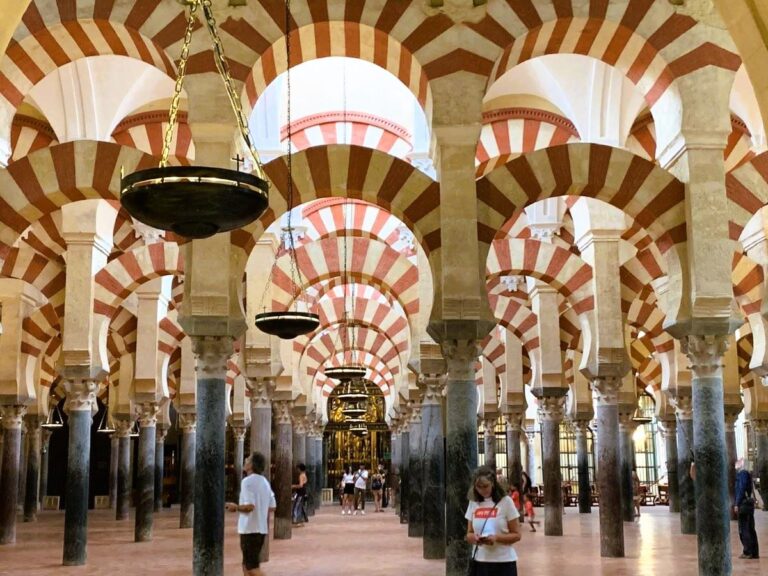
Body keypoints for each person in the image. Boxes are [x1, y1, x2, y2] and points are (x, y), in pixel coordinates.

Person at [465, 465, 522, 575]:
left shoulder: (506, 502)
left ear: (493, 483)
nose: (482, 490)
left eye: (485, 486)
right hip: (480, 561)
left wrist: (496, 538)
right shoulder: (473, 503)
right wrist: (475, 538)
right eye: (478, 487)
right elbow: (469, 533)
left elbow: (517, 535)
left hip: (504, 562)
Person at [226, 452, 276, 576]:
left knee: (252, 568)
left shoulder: (247, 481)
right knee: (246, 566)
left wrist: (236, 507)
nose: (245, 461)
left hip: (250, 529)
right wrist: (260, 513)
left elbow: (250, 506)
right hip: (260, 529)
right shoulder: (265, 482)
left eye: (248, 459)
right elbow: (273, 506)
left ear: (252, 465)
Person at [734, 460, 760, 560]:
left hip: (744, 505)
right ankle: (754, 552)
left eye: (739, 462)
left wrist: (737, 503)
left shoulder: (742, 474)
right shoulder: (747, 474)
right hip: (749, 504)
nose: (736, 463)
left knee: (744, 529)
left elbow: (741, 489)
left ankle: (748, 551)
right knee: (750, 528)